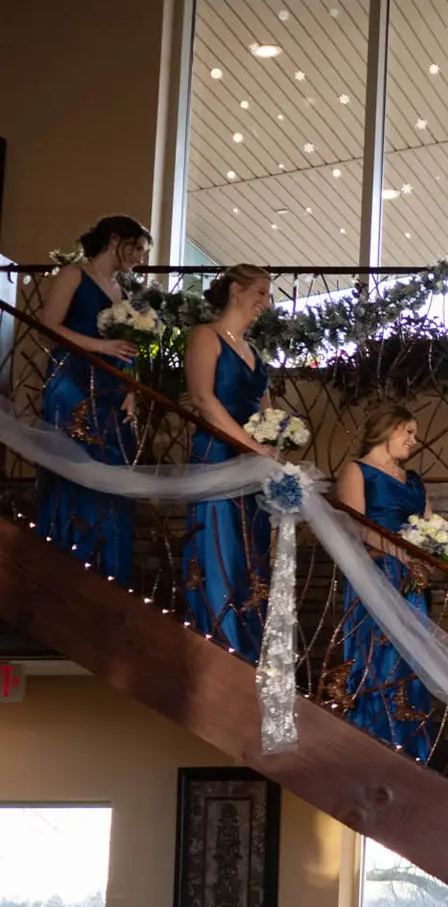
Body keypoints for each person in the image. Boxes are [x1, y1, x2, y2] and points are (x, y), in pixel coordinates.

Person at [34, 216, 149, 584]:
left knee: (110, 479)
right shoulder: (73, 275)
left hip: (111, 391)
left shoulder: (123, 291)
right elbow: (47, 326)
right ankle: (66, 572)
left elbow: (129, 349)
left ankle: (109, 575)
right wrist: (101, 345)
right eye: (138, 250)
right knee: (75, 472)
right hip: (73, 382)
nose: (141, 260)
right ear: (115, 240)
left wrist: (131, 390)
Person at [181, 264, 277, 664]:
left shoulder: (253, 351)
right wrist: (250, 445)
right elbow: (204, 400)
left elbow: (267, 411)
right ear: (236, 290)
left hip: (252, 468)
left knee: (250, 555)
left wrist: (273, 445)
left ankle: (249, 651)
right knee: (220, 549)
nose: (264, 303)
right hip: (218, 457)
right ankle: (220, 645)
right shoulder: (206, 336)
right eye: (260, 293)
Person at [335, 403, 436, 763]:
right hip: (376, 575)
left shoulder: (413, 480)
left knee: (412, 660)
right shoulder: (357, 471)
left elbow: (427, 525)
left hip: (410, 581)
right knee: (378, 657)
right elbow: (356, 525)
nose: (413, 439)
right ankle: (374, 743)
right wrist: (399, 550)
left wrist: (427, 549)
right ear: (386, 429)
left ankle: (413, 752)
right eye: (407, 432)